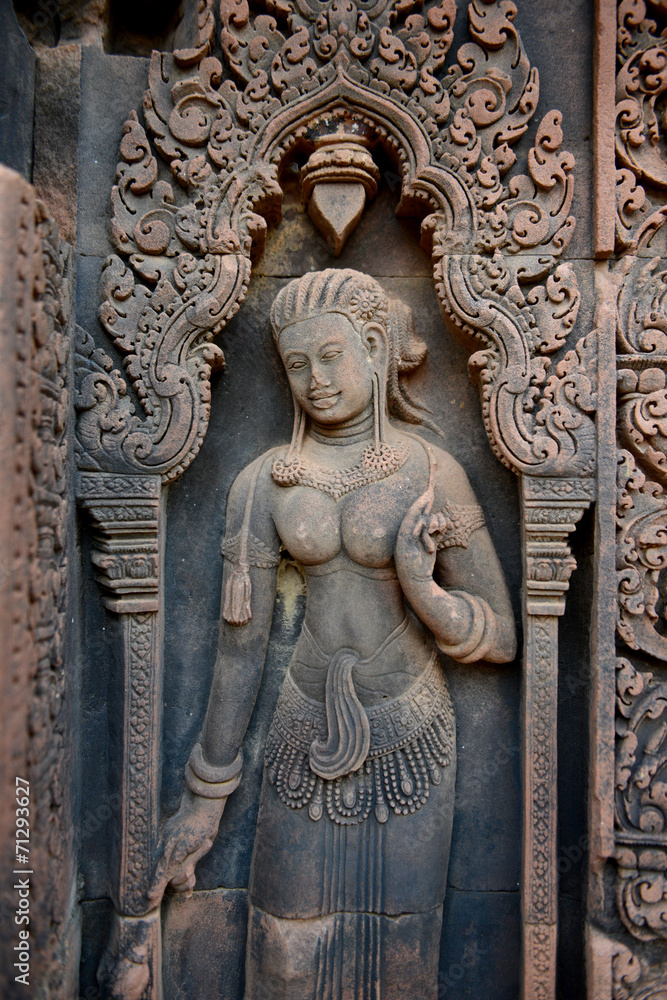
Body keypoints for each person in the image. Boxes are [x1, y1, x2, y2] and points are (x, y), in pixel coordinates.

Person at [149, 269, 516, 999]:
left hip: (411, 735)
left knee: (402, 950)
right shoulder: (263, 483)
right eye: (295, 364)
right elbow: (240, 648)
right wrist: (206, 795)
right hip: (302, 732)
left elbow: (502, 635)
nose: (313, 380)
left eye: (329, 356)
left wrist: (422, 587)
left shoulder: (429, 470)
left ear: (374, 346)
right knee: (283, 948)